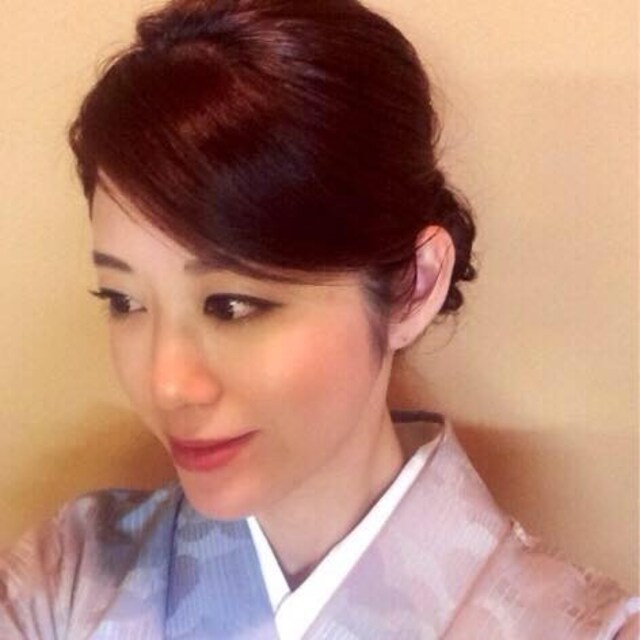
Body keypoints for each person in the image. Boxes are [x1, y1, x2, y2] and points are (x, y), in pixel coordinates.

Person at [0, 0, 637, 638]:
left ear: (414, 285)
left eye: (231, 305)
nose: (166, 384)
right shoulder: (65, 585)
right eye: (124, 301)